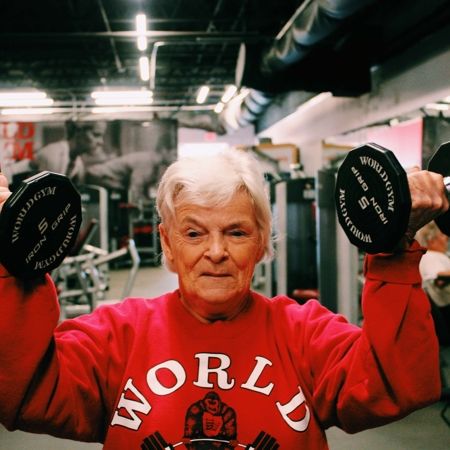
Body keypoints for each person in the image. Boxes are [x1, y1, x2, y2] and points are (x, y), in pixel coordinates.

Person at [0, 148, 445, 449]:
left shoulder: (304, 334)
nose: (215, 252)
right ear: (168, 244)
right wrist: (11, 260)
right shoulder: (116, 335)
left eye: (236, 232)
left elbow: (396, 383)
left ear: (262, 244)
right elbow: (23, 390)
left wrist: (394, 250)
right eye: (194, 233)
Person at [34, 121, 108, 184]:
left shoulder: (78, 162)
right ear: (79, 131)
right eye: (96, 135)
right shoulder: (53, 154)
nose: (101, 142)